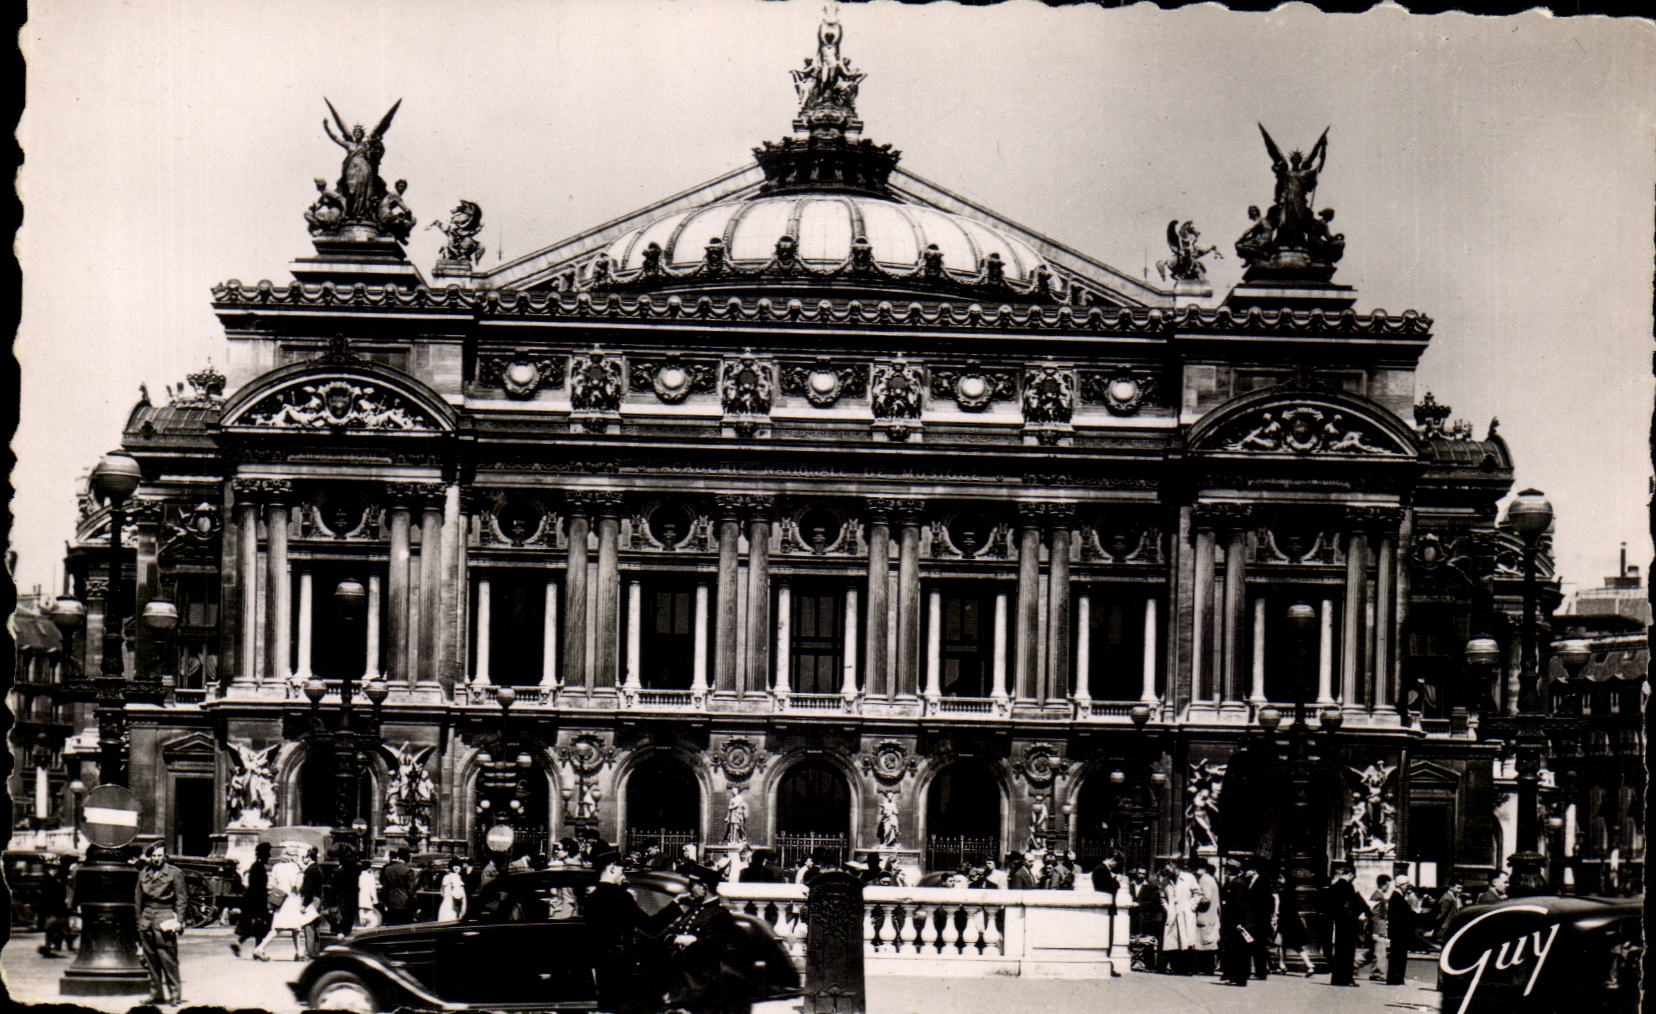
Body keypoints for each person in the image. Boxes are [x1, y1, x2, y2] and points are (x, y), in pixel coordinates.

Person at [585, 850, 661, 1014]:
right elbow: (651, 926)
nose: (622, 873)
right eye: (621, 869)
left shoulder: (591, 899)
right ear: (612, 868)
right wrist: (676, 905)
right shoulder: (621, 897)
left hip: (603, 967)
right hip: (624, 967)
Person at [657, 864, 740, 1012]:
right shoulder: (693, 910)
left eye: (692, 885)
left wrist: (686, 943)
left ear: (704, 887)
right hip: (683, 985)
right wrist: (678, 939)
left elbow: (708, 947)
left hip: (702, 985)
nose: (689, 889)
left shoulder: (720, 915)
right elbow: (668, 933)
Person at [135, 842, 189, 1005]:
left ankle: (174, 994)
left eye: (159, 856)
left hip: (165, 917)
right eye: (154, 856)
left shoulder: (174, 873)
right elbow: (138, 901)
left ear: (164, 857)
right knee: (150, 959)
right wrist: (139, 923)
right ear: (149, 857)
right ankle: (156, 993)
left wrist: (179, 921)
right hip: (147, 918)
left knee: (168, 959)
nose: (156, 859)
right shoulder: (143, 874)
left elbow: (181, 899)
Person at [252, 845, 305, 960]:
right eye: (296, 855)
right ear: (292, 856)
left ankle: (299, 952)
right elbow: (296, 886)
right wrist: (301, 872)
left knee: (290, 928)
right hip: (291, 899)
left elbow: (272, 884)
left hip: (280, 899)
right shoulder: (294, 867)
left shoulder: (277, 867)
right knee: (285, 928)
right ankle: (260, 948)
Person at [1322, 863, 1368, 987]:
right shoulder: (1349, 887)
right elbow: (1356, 904)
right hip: (1349, 922)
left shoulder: (1334, 886)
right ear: (1351, 874)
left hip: (1338, 922)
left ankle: (1337, 978)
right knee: (1348, 951)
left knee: (1339, 950)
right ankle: (1347, 978)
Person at [231, 842, 272, 958]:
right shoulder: (258, 868)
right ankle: (256, 950)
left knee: (258, 927)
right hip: (256, 901)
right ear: (263, 854)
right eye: (267, 854)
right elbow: (258, 888)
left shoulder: (256, 866)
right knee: (260, 926)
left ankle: (249, 946)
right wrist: (263, 904)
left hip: (252, 900)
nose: (269, 856)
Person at [1218, 859, 1252, 986]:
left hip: (1235, 923)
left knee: (1237, 950)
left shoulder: (1236, 883)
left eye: (1226, 869)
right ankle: (1236, 977)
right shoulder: (1238, 882)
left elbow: (1239, 905)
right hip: (1235, 922)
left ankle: (1238, 977)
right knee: (1237, 950)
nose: (1225, 871)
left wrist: (1238, 922)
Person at [1274, 873, 1315, 976]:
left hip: (1286, 921)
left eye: (1280, 878)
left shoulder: (1284, 892)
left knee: (1287, 943)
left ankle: (1308, 964)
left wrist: (1277, 917)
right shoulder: (1291, 891)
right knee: (1285, 944)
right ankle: (1282, 965)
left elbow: (1282, 908)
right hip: (1293, 921)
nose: (1278, 881)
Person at [1387, 874, 1421, 985]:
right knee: (1398, 956)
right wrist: (1415, 914)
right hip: (1399, 932)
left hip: (1397, 932)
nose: (1407, 887)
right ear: (1401, 885)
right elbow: (1404, 915)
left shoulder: (1397, 897)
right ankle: (1395, 978)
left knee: (1397, 956)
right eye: (1406, 885)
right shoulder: (1397, 897)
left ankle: (1396, 978)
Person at [1244, 860, 1274, 980]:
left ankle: (1261, 973)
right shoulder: (1251, 881)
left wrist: (1266, 917)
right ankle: (1257, 971)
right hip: (1255, 919)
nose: (1245, 873)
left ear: (1253, 871)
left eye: (1247, 870)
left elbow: (1268, 901)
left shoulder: (1262, 882)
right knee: (1256, 945)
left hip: (1260, 920)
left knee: (1259, 947)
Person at [38, 855, 71, 958]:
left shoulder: (57, 878)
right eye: (54, 868)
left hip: (58, 907)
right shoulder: (46, 879)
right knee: (51, 928)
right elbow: (45, 896)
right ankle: (48, 948)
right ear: (50, 868)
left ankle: (52, 946)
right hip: (51, 908)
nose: (56, 870)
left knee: (58, 927)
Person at [1133, 867, 1165, 973]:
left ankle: (1149, 964)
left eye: (1143, 873)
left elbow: (1153, 902)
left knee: (1147, 941)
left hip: (1145, 918)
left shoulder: (1150, 887)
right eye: (1139, 873)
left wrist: (1139, 905)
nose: (1141, 875)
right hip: (1133, 918)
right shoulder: (1130, 886)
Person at [1192, 859, 1221, 975]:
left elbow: (1206, 898)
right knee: (1206, 943)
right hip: (1210, 916)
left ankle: (1207, 968)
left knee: (1205, 943)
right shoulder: (1210, 879)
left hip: (1206, 915)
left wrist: (1193, 902)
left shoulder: (1205, 880)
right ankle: (1206, 968)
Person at [329, 843, 361, 939]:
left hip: (341, 901)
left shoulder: (338, 872)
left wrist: (332, 903)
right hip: (351, 901)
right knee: (347, 925)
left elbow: (333, 889)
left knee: (340, 926)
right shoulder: (356, 871)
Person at [1366, 873, 1393, 982]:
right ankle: (1378, 973)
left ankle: (1354, 965)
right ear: (1384, 884)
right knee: (1380, 953)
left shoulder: (1377, 895)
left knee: (1372, 952)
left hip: (1377, 928)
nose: (1389, 887)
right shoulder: (1378, 896)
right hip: (1378, 928)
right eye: (1388, 885)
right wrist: (1377, 930)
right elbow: (1374, 913)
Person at [379, 847, 416, 925]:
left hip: (390, 901)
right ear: (407, 858)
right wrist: (415, 905)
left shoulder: (387, 869)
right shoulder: (408, 870)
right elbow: (411, 890)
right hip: (404, 902)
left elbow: (384, 886)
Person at [357, 861, 382, 930]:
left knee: (361, 913)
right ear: (369, 868)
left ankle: (363, 923)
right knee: (369, 914)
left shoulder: (359, 876)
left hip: (360, 899)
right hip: (368, 898)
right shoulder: (370, 877)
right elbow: (372, 889)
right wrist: (375, 900)